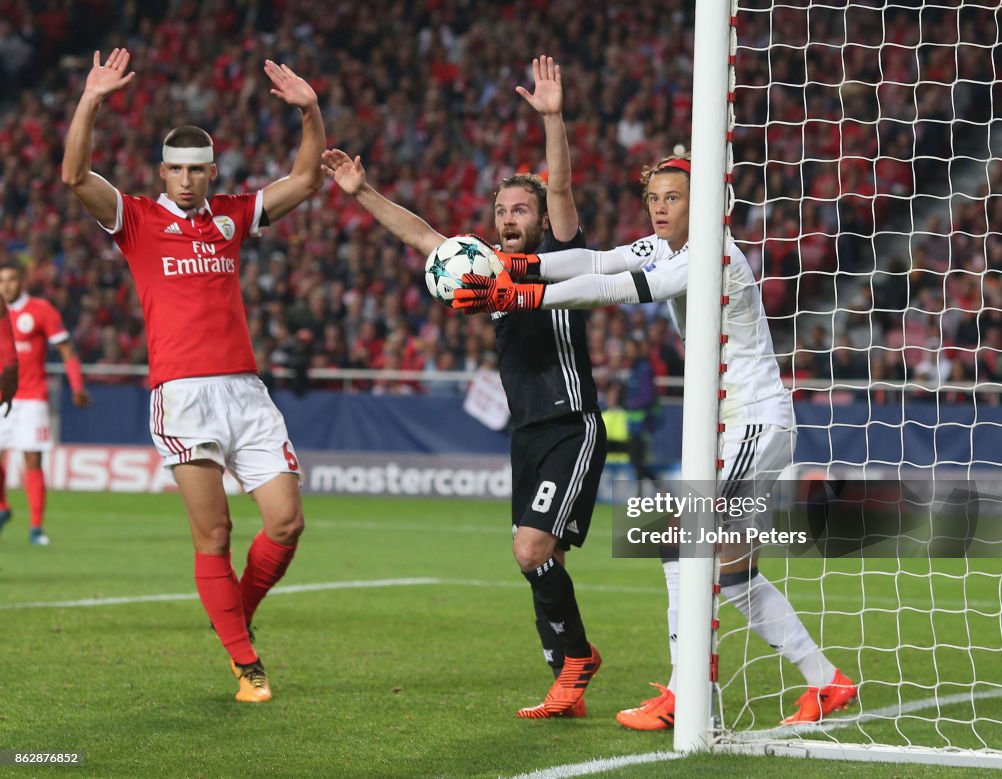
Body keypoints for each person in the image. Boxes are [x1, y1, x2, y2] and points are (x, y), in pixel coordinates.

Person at [454, 154, 857, 728]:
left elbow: (617, 287)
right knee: (736, 575)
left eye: (674, 197)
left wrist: (520, 292)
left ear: (705, 202)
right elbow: (594, 258)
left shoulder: (711, 254)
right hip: (735, 426)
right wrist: (515, 264)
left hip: (751, 422)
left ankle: (683, 697)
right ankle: (828, 683)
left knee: (676, 543)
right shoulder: (662, 246)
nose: (661, 208)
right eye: (655, 198)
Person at [322, 56, 605, 719]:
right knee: (543, 558)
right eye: (502, 210)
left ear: (540, 219)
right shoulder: (485, 268)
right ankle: (565, 671)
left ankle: (576, 662)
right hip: (528, 432)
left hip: (570, 421)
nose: (510, 218)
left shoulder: (560, 258)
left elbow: (561, 188)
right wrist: (362, 191)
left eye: (520, 209)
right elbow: (422, 235)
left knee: (530, 549)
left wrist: (553, 120)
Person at [62, 49, 325, 703]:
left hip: (245, 388)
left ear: (212, 171)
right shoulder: (137, 220)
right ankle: (245, 662)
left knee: (286, 522)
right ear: (163, 172)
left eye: (195, 170)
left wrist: (311, 112)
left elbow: (306, 179)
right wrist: (90, 101)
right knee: (215, 532)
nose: (184, 180)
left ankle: (234, 610)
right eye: (174, 170)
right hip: (181, 394)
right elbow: (73, 176)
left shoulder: (232, 216)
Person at [0, 262, 90, 545]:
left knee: (32, 459)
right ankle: (3, 508)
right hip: (2, 396)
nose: (6, 286)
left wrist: (77, 386)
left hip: (32, 397)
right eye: (1, 281)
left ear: (22, 281)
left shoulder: (41, 310)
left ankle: (36, 528)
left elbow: (66, 348)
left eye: (12, 279)